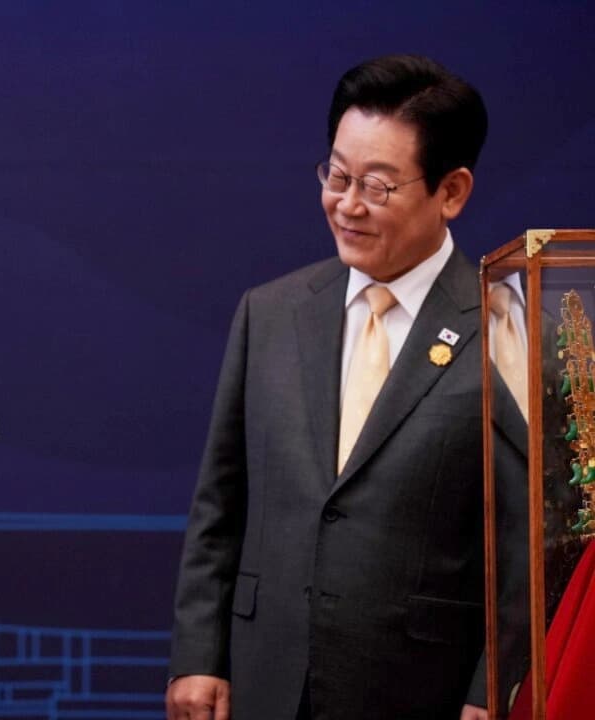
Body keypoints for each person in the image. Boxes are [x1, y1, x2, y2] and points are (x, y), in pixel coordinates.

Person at [166, 55, 491, 720]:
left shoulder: (505, 331)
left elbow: (525, 547)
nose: (346, 205)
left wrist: (491, 691)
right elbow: (220, 505)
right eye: (337, 176)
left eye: (376, 186)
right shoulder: (271, 312)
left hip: (419, 687)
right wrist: (199, 656)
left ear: (451, 191)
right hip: (266, 679)